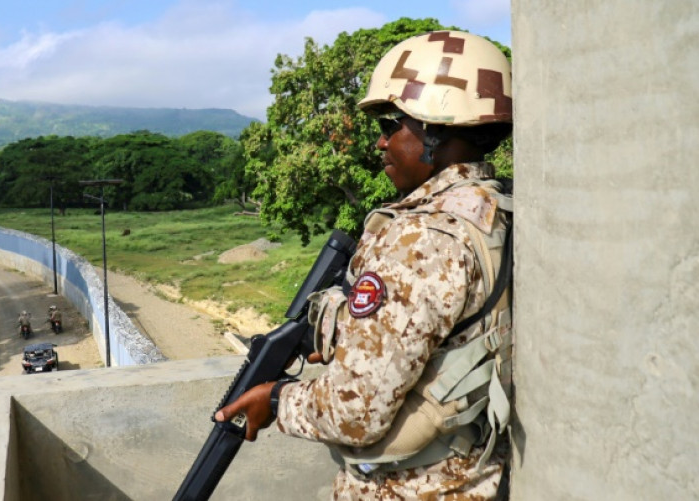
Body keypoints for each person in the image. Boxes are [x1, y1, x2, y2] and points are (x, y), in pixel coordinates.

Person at [215, 30, 514, 500]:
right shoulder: (493, 209)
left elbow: (354, 414)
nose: (379, 142)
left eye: (392, 125)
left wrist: (276, 400)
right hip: (474, 477)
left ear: (436, 128)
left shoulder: (420, 240)